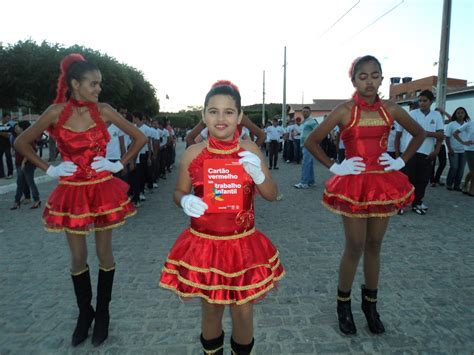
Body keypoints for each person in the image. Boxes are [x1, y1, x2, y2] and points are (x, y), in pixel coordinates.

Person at [14, 53, 147, 347]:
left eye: (100, 84)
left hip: (101, 188)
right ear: (75, 83)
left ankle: (103, 314)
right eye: (94, 83)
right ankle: (84, 313)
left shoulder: (105, 110)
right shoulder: (54, 112)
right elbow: (21, 142)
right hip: (72, 191)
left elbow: (139, 138)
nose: (99, 89)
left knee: (104, 254)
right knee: (77, 257)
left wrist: (117, 164)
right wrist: (50, 168)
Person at [159, 80, 284, 355]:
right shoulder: (193, 153)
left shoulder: (249, 151)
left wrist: (259, 176)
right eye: (213, 111)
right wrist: (185, 200)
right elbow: (179, 191)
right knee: (211, 311)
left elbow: (272, 194)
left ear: (239, 117)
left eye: (229, 112)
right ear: (203, 115)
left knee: (243, 313)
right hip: (205, 246)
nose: (220, 118)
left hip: (243, 245)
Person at [304, 56, 424, 336]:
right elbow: (311, 141)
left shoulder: (392, 109)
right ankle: (343, 306)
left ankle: (370, 306)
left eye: (375, 75)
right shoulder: (344, 111)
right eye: (363, 76)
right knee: (355, 245)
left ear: (382, 78)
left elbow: (418, 134)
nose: (369, 81)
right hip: (354, 183)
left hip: (383, 182)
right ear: (353, 79)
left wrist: (401, 161)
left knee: (374, 245)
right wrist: (336, 165)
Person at [398, 90, 444, 215]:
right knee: (407, 179)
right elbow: (412, 132)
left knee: (422, 180)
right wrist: (427, 133)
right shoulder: (412, 114)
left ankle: (417, 202)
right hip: (411, 151)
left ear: (431, 102)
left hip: (427, 153)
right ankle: (401, 204)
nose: (422, 103)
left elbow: (440, 135)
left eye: (425, 101)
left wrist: (436, 150)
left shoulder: (436, 116)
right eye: (420, 101)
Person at [11, 121, 41, 210]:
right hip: (18, 163)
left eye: (18, 127)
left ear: (23, 128)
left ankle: (37, 200)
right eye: (16, 127)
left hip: (28, 164)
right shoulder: (17, 138)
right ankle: (17, 201)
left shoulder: (27, 138)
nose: (16, 129)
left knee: (30, 182)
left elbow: (33, 150)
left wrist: (24, 161)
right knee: (19, 183)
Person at [439, 107, 469, 191]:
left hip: (464, 151)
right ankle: (449, 184)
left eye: (462, 113)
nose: (460, 114)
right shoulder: (451, 124)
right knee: (454, 167)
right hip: (453, 150)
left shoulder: (468, 124)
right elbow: (447, 137)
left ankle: (457, 185)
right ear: (455, 114)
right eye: (458, 113)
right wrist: (449, 148)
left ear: (465, 114)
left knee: (461, 169)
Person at [294, 106, 318, 189]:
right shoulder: (305, 122)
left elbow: (317, 131)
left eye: (306, 112)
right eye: (303, 112)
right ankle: (311, 181)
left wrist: (312, 141)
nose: (305, 113)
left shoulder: (311, 121)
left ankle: (304, 182)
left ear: (310, 112)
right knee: (309, 163)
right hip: (305, 144)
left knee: (306, 163)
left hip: (308, 145)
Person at [453, 109, 474, 196]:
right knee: (473, 170)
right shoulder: (469, 124)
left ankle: (466, 185)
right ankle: (470, 189)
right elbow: (455, 133)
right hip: (470, 150)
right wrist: (463, 142)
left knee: (473, 171)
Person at [0, 113, 14, 179]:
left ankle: (10, 173)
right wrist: (4, 133)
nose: (8, 119)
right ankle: (1, 174)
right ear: (3, 118)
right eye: (7, 118)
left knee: (9, 159)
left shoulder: (10, 125)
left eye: (9, 118)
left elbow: (8, 135)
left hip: (7, 145)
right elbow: (6, 134)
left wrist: (1, 133)